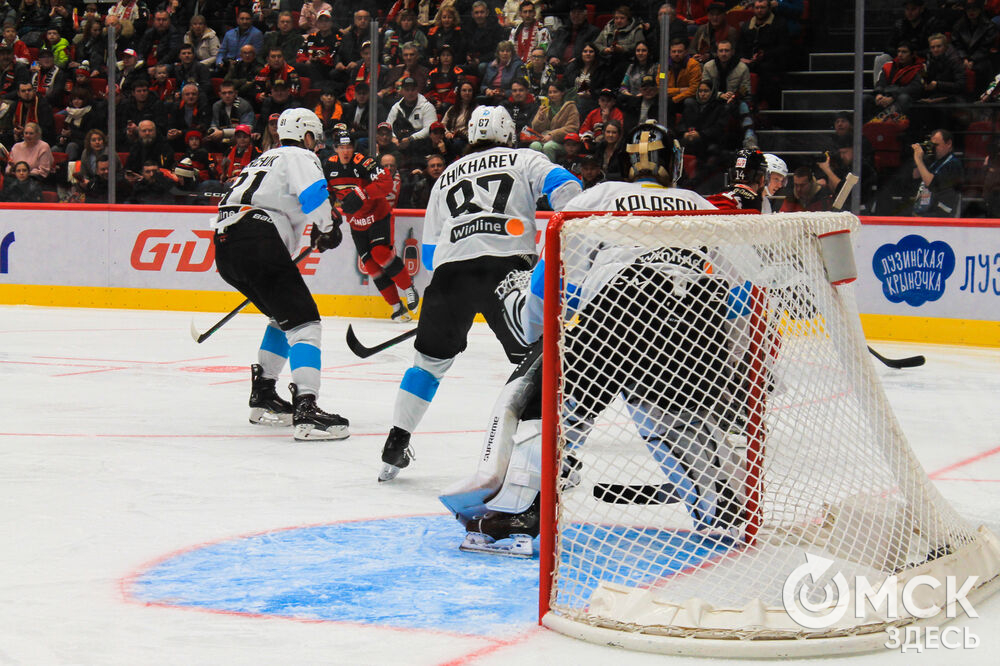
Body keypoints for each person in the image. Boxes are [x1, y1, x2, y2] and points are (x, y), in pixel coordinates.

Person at [438, 121, 729, 554]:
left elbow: (551, 277)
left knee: (556, 408)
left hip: (616, 307)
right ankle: (722, 512)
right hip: (692, 316)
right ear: (673, 163)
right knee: (679, 424)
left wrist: (539, 334)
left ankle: (520, 511)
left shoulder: (600, 196)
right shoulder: (699, 205)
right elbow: (738, 290)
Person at [378, 105, 582, 483]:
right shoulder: (524, 158)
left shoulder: (447, 175)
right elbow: (568, 187)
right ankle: (553, 456)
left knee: (427, 364)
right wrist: (569, 238)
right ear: (507, 132)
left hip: (450, 273)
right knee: (536, 362)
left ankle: (396, 443)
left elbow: (428, 254)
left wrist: (451, 295)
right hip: (508, 269)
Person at [210, 107, 349, 441]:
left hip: (226, 244)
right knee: (305, 322)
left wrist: (317, 227)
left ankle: (264, 396)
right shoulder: (300, 155)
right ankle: (306, 407)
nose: (317, 147)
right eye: (315, 140)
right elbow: (314, 194)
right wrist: (328, 226)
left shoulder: (263, 159)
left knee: (281, 317)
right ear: (308, 135)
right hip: (256, 237)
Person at [324, 130, 418, 322]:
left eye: (349, 147)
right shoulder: (329, 165)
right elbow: (328, 191)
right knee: (371, 265)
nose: (346, 151)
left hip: (378, 216)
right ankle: (396, 307)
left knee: (381, 254)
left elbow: (386, 183)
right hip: (356, 223)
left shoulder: (365, 162)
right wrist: (330, 209)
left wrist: (362, 193)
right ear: (335, 148)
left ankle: (409, 289)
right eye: (341, 147)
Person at [910, 128, 963, 216]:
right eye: (931, 145)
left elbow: (931, 184)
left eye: (936, 145)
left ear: (948, 144)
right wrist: (919, 157)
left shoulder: (953, 164)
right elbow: (915, 175)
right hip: (925, 210)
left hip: (942, 214)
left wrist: (919, 160)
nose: (934, 148)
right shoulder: (933, 161)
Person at [528, 79, 579, 161]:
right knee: (535, 145)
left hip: (563, 143)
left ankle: (550, 171)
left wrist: (552, 135)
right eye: (550, 92)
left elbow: (572, 128)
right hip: (544, 139)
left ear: (562, 93)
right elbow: (535, 128)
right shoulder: (545, 106)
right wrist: (541, 118)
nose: (552, 95)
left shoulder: (570, 107)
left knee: (549, 146)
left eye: (555, 92)